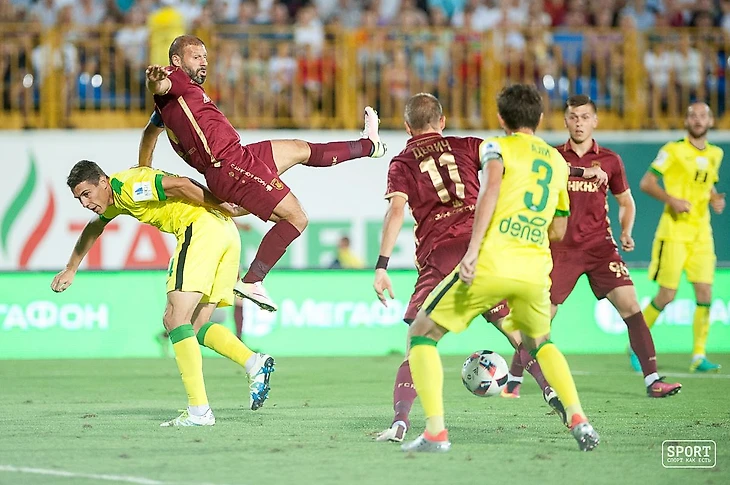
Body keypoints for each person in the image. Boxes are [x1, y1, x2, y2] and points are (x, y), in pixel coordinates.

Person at [373, 92, 610, 443]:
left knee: (419, 339)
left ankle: (403, 423)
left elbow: (395, 212)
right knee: (525, 337)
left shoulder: (402, 162)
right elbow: (526, 164)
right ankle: (558, 397)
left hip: (443, 254)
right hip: (492, 250)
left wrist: (382, 265)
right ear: (442, 122)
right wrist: (582, 171)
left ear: (408, 127)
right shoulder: (470, 145)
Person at [142, 35, 386, 313]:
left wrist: (143, 170)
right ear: (176, 61)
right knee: (296, 217)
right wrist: (155, 80)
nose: (204, 62)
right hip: (230, 165)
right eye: (196, 57)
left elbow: (150, 133)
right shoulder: (174, 79)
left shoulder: (172, 102)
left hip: (238, 156)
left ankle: (369, 145)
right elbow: (160, 84)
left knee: (300, 149)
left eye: (205, 57)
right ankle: (253, 280)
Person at [51, 160, 276, 426]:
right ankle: (253, 362)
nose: (85, 203)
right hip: (225, 233)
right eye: (79, 199)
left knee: (174, 319)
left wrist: (224, 205)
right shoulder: (117, 195)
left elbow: (181, 185)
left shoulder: (129, 187)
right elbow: (94, 226)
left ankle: (199, 411)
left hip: (200, 230)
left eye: (87, 194)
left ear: (102, 182)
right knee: (195, 325)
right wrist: (71, 268)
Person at [531, 94, 682, 398]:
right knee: (540, 317)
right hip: (561, 248)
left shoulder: (610, 160)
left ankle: (653, 379)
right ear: (565, 121)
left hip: (600, 247)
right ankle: (513, 380)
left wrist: (626, 231)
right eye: (574, 117)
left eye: (585, 117)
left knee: (631, 305)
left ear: (595, 121)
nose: (579, 123)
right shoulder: (553, 157)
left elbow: (626, 201)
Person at [639, 102, 725, 373]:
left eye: (703, 116)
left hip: (702, 233)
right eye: (693, 116)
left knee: (705, 292)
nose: (698, 120)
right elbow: (646, 182)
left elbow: (707, 183)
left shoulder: (716, 153)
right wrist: (672, 200)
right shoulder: (672, 150)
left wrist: (714, 199)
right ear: (686, 121)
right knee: (667, 295)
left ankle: (699, 355)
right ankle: (637, 345)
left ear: (710, 121)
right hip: (674, 232)